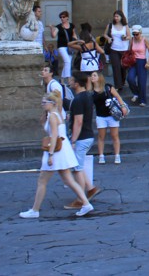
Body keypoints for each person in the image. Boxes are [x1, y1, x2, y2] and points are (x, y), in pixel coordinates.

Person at [19, 92, 93, 218]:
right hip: (62, 149)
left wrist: (51, 155)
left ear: (52, 103)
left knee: (42, 180)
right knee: (68, 180)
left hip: (56, 150)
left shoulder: (53, 116)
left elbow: (54, 136)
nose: (42, 104)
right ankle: (86, 203)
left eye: (44, 102)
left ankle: (35, 210)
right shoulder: (56, 114)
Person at [65, 71, 100, 209]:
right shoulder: (87, 96)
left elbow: (78, 122)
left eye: (72, 80)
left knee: (77, 168)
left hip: (82, 137)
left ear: (77, 83)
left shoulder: (79, 99)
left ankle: (81, 199)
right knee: (78, 165)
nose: (70, 81)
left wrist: (73, 140)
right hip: (87, 135)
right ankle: (90, 188)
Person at [90, 71, 127, 165]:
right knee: (101, 136)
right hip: (100, 116)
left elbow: (117, 96)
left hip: (112, 115)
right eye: (92, 76)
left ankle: (117, 155)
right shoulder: (91, 91)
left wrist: (122, 106)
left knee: (115, 135)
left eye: (94, 75)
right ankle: (101, 155)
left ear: (99, 77)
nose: (92, 77)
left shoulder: (108, 87)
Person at [126, 25, 149, 106]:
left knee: (141, 81)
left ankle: (142, 100)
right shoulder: (132, 39)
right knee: (130, 78)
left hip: (142, 61)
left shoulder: (145, 39)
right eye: (133, 34)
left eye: (136, 34)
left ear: (140, 33)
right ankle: (136, 93)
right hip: (133, 61)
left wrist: (148, 62)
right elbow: (129, 50)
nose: (135, 36)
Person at [105, 10, 130, 91]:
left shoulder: (125, 26)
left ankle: (122, 82)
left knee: (123, 67)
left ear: (121, 17)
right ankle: (117, 85)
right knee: (116, 67)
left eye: (117, 16)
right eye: (115, 16)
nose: (116, 18)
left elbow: (129, 36)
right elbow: (105, 34)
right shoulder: (110, 25)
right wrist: (108, 38)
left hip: (124, 49)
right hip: (114, 49)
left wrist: (125, 38)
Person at [51, 11, 77, 85]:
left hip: (70, 47)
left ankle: (61, 80)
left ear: (67, 17)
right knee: (67, 61)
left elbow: (74, 35)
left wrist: (76, 41)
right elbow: (53, 35)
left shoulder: (72, 25)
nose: (62, 18)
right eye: (61, 17)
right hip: (61, 46)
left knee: (67, 63)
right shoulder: (58, 26)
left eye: (63, 17)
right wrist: (51, 28)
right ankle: (69, 79)